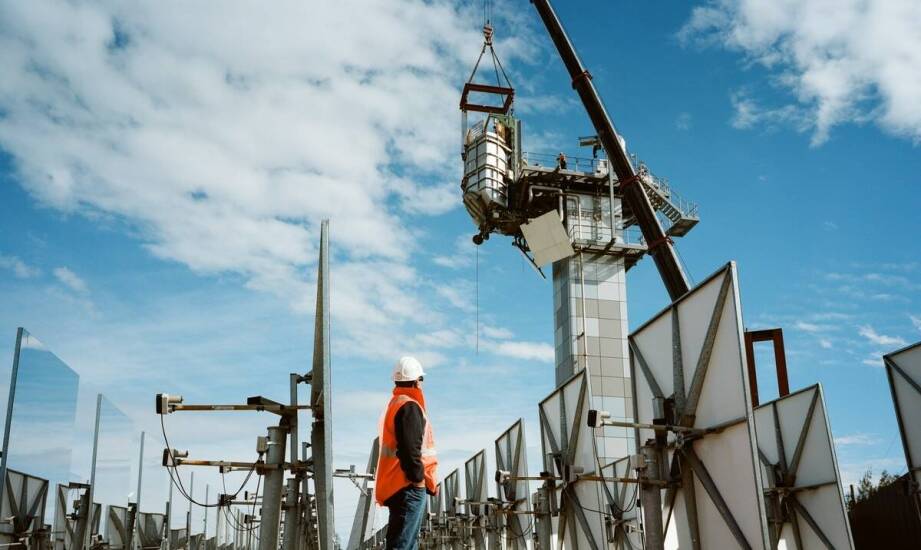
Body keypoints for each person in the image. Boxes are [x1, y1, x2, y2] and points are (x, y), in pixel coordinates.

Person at [375, 356, 438, 549]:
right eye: (421, 379)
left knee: (402, 543)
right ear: (416, 381)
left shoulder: (395, 404)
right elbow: (410, 449)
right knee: (403, 545)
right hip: (408, 487)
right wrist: (418, 479)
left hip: (398, 485)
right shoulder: (409, 406)